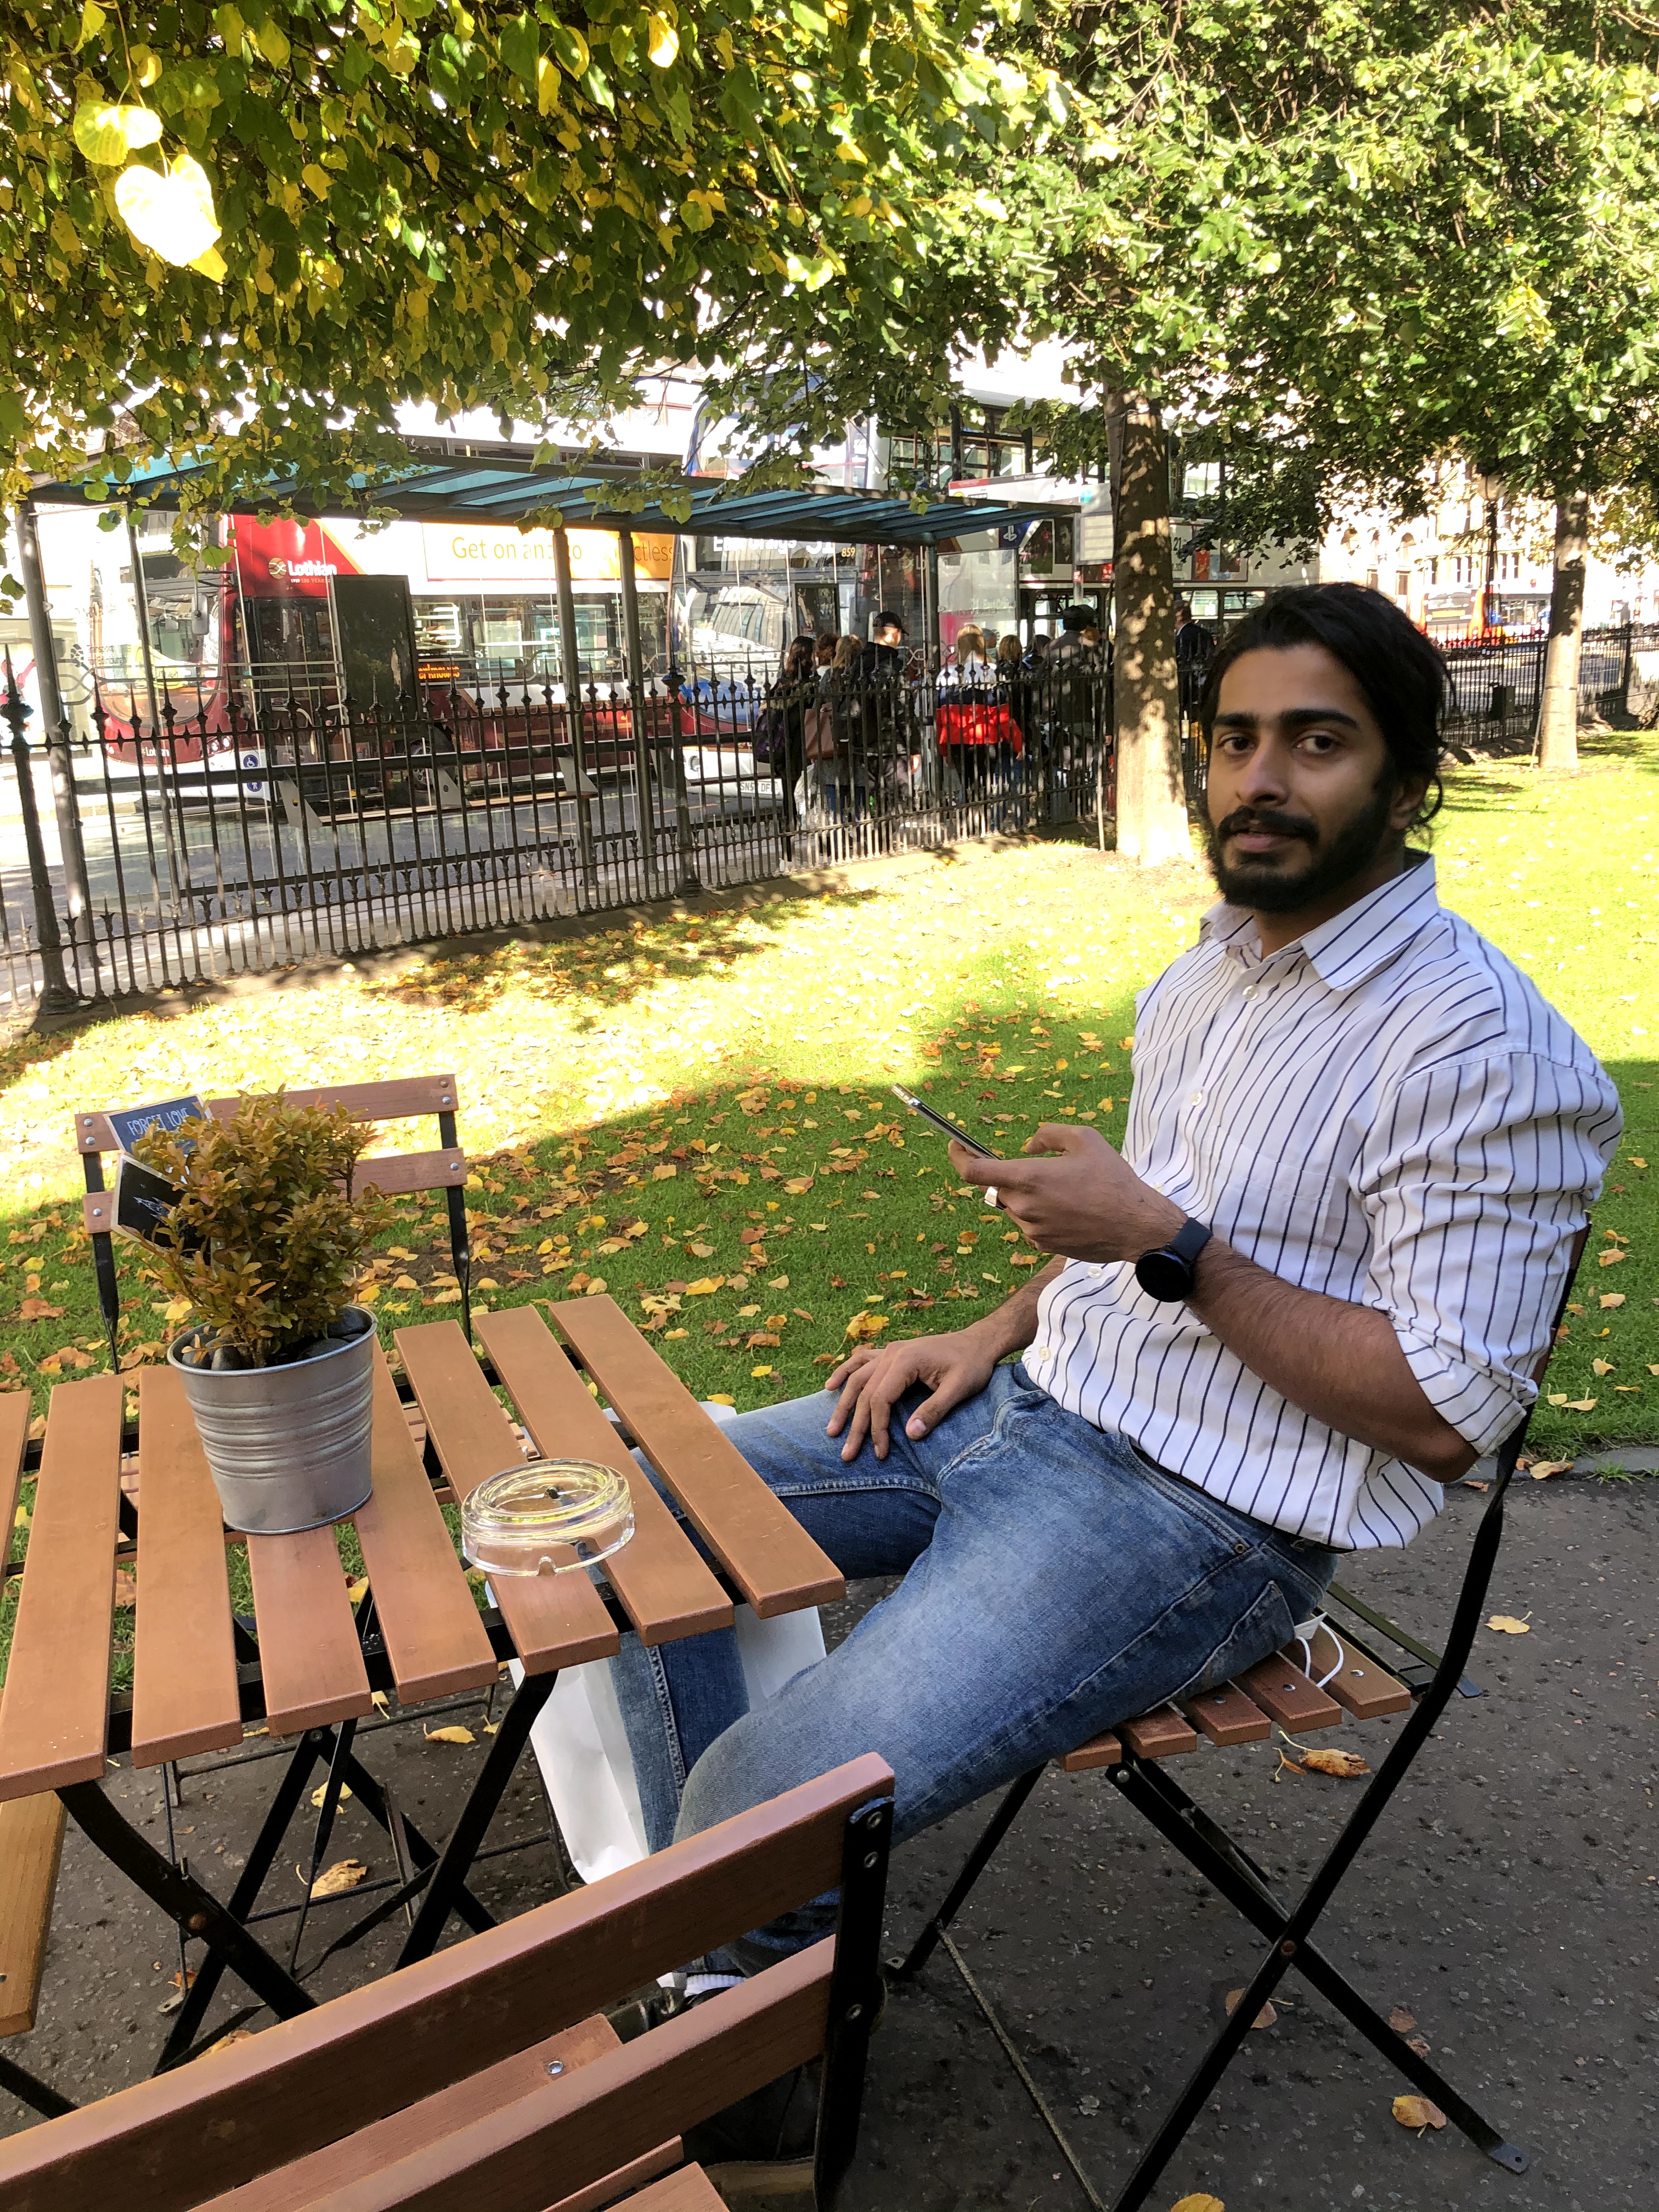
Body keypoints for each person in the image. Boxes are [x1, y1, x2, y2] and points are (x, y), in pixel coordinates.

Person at [619, 585, 1618, 2109]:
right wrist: (984, 1330)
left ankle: (732, 2039)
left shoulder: (1485, 1053)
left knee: (753, 1802)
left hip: (1196, 1526)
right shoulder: (1212, 969)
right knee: (641, 1517)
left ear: (1411, 777)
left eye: (1317, 742)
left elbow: (1442, 1412)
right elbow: (1142, 1238)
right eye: (1233, 739)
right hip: (1028, 1406)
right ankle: (728, 1945)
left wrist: (1165, 1241)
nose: (1259, 778)